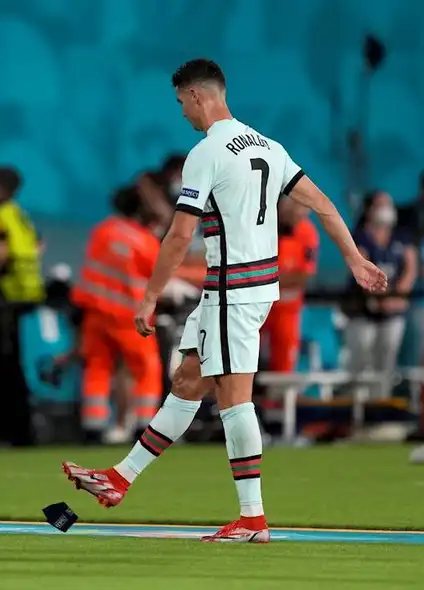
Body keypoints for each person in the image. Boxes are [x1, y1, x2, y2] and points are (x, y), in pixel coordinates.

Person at [62, 58, 387, 543]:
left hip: (233, 292)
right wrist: (356, 258)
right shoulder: (268, 146)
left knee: (235, 400)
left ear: (197, 95)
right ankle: (120, 478)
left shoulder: (207, 151)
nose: (182, 114)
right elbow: (321, 201)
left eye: (180, 103)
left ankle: (253, 518)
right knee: (189, 380)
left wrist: (149, 296)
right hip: (243, 289)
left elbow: (179, 235)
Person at [69, 186, 166, 443]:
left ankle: (93, 425)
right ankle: (144, 426)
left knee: (97, 368)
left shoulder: (101, 232)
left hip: (96, 314)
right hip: (131, 318)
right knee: (146, 369)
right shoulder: (144, 240)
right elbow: (161, 275)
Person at [0, 166, 44, 446]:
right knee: (16, 366)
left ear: (0, 188)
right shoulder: (20, 215)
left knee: (1, 369)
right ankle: (22, 430)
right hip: (25, 296)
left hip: (4, 297)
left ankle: (5, 432)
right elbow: (38, 246)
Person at [344, 190, 416, 396]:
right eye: (381, 204)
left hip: (393, 311)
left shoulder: (401, 236)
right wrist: (379, 298)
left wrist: (397, 297)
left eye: (388, 204)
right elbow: (362, 266)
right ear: (369, 210)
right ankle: (355, 408)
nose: (386, 209)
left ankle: (380, 407)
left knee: (386, 361)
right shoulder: (359, 236)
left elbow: (411, 268)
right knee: (360, 360)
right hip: (362, 311)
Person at [262, 197, 318, 372]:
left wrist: (268, 279)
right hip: (257, 306)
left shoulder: (307, 231)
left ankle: (276, 400)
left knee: (283, 364)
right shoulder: (263, 225)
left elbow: (303, 276)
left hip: (287, 309)